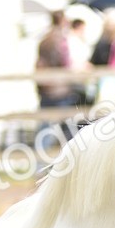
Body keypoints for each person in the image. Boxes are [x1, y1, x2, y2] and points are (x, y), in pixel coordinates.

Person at [35, 10, 78, 148]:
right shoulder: (60, 40)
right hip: (59, 89)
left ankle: (40, 162)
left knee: (46, 127)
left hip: (46, 88)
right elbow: (65, 63)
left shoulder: (45, 38)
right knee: (66, 129)